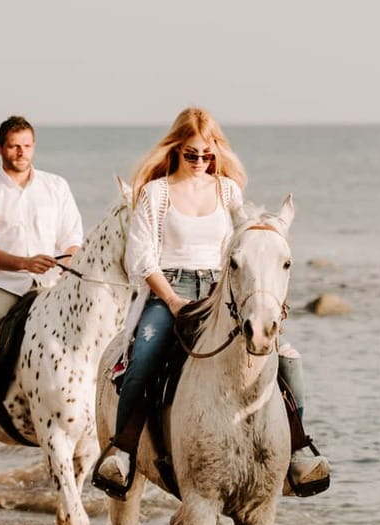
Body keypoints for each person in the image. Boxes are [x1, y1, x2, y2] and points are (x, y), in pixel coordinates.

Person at [94, 107, 329, 497]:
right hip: (169, 288)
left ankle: (298, 450)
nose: (201, 161)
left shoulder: (228, 191)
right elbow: (141, 258)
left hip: (222, 291)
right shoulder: (157, 193)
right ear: (176, 149)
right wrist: (170, 301)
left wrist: (258, 294)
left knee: (286, 357)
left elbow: (241, 248)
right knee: (144, 356)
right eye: (192, 153)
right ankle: (122, 451)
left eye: (207, 154)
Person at [0, 116, 84, 459]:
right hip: (4, 284)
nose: (20, 152)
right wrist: (25, 263)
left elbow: (73, 240)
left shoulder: (56, 186)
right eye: (13, 146)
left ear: (33, 146)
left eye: (26, 145)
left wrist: (62, 260)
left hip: (52, 284)